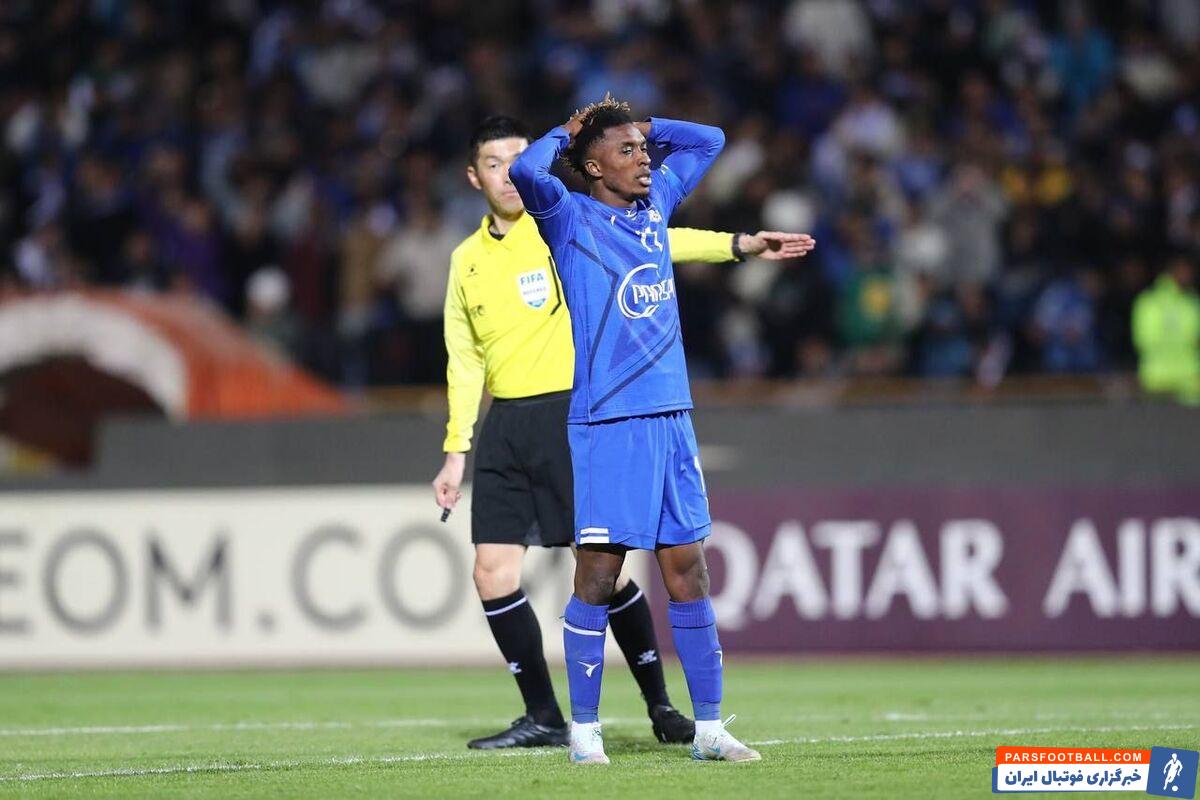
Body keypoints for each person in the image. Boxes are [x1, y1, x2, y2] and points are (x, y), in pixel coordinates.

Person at [433, 115, 812, 751]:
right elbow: (465, 355)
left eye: (644, 149)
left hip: (653, 413)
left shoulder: (644, 207)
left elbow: (704, 153)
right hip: (585, 421)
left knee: (677, 569)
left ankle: (699, 722)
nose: (644, 158)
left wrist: (733, 238)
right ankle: (572, 725)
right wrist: (572, 129)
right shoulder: (553, 224)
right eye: (628, 150)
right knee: (582, 574)